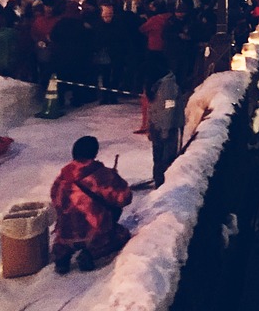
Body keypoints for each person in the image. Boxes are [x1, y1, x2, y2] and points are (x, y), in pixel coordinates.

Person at [50, 135, 133, 274]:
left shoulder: (62, 177)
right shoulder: (101, 175)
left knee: (65, 238)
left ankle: (62, 255)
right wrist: (115, 179)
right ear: (94, 153)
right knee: (122, 234)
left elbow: (54, 199)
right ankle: (91, 253)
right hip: (94, 232)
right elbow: (124, 198)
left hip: (66, 233)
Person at [145, 55, 181, 187]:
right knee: (157, 157)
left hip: (167, 127)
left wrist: (166, 129)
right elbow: (152, 106)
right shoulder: (154, 82)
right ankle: (158, 181)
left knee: (166, 159)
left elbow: (169, 108)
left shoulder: (168, 85)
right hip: (156, 125)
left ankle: (165, 185)